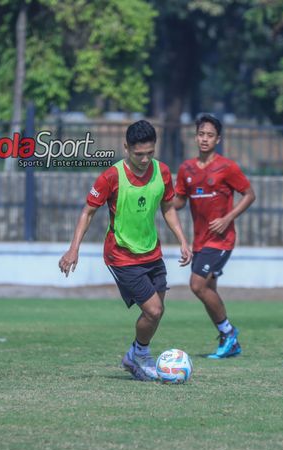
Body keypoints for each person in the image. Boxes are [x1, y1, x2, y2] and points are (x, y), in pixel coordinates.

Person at [59, 120, 192, 381]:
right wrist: (73, 249)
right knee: (153, 310)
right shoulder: (111, 176)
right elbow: (88, 212)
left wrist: (183, 241)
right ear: (126, 148)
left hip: (152, 252)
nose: (144, 159)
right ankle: (141, 355)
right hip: (121, 256)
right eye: (138, 154)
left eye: (150, 153)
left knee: (157, 312)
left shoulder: (162, 172)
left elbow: (168, 207)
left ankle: (134, 354)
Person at [173, 114, 255, 358]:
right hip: (200, 240)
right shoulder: (186, 168)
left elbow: (249, 194)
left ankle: (229, 333)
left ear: (218, 139)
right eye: (201, 134)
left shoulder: (226, 167)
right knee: (209, 290)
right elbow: (178, 203)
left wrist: (228, 218)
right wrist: (162, 194)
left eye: (210, 135)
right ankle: (229, 343)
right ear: (196, 136)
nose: (204, 139)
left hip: (221, 240)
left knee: (197, 285)